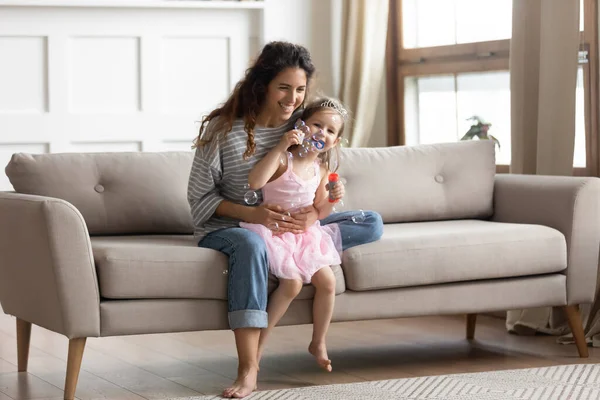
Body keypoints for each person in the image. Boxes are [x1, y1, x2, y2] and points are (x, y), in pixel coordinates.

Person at [188, 41, 383, 399]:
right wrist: (253, 214)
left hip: (292, 224)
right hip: (234, 226)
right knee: (249, 244)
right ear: (262, 85)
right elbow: (200, 199)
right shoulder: (224, 130)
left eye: (299, 90)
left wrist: (313, 213)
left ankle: (301, 246)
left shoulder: (304, 127)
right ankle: (249, 367)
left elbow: (321, 171)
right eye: (283, 87)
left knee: (370, 221)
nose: (292, 98)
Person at [240, 97, 349, 373]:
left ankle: (318, 342)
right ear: (301, 125)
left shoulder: (322, 170)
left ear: (334, 142)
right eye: (316, 125)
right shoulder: (284, 160)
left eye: (330, 131)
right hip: (275, 231)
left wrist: (333, 199)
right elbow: (254, 182)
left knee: (328, 282)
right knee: (291, 284)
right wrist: (281, 145)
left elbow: (320, 211)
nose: (321, 133)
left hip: (304, 234)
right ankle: (258, 348)